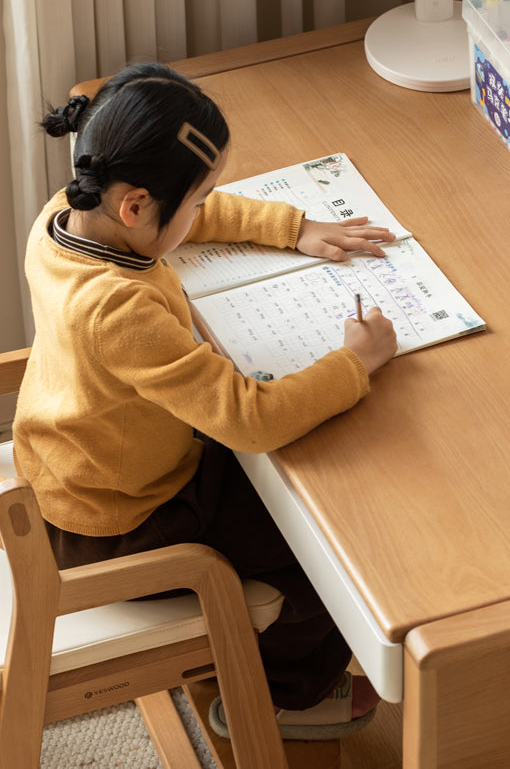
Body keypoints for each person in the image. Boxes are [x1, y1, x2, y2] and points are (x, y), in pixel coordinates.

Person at [12, 62, 397, 739]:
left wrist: (289, 226)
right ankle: (286, 696)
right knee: (326, 561)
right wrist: (353, 364)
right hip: (123, 524)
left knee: (301, 500)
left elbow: (191, 208)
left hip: (79, 468)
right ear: (136, 206)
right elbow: (252, 418)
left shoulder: (64, 217)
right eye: (195, 203)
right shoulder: (116, 311)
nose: (201, 212)